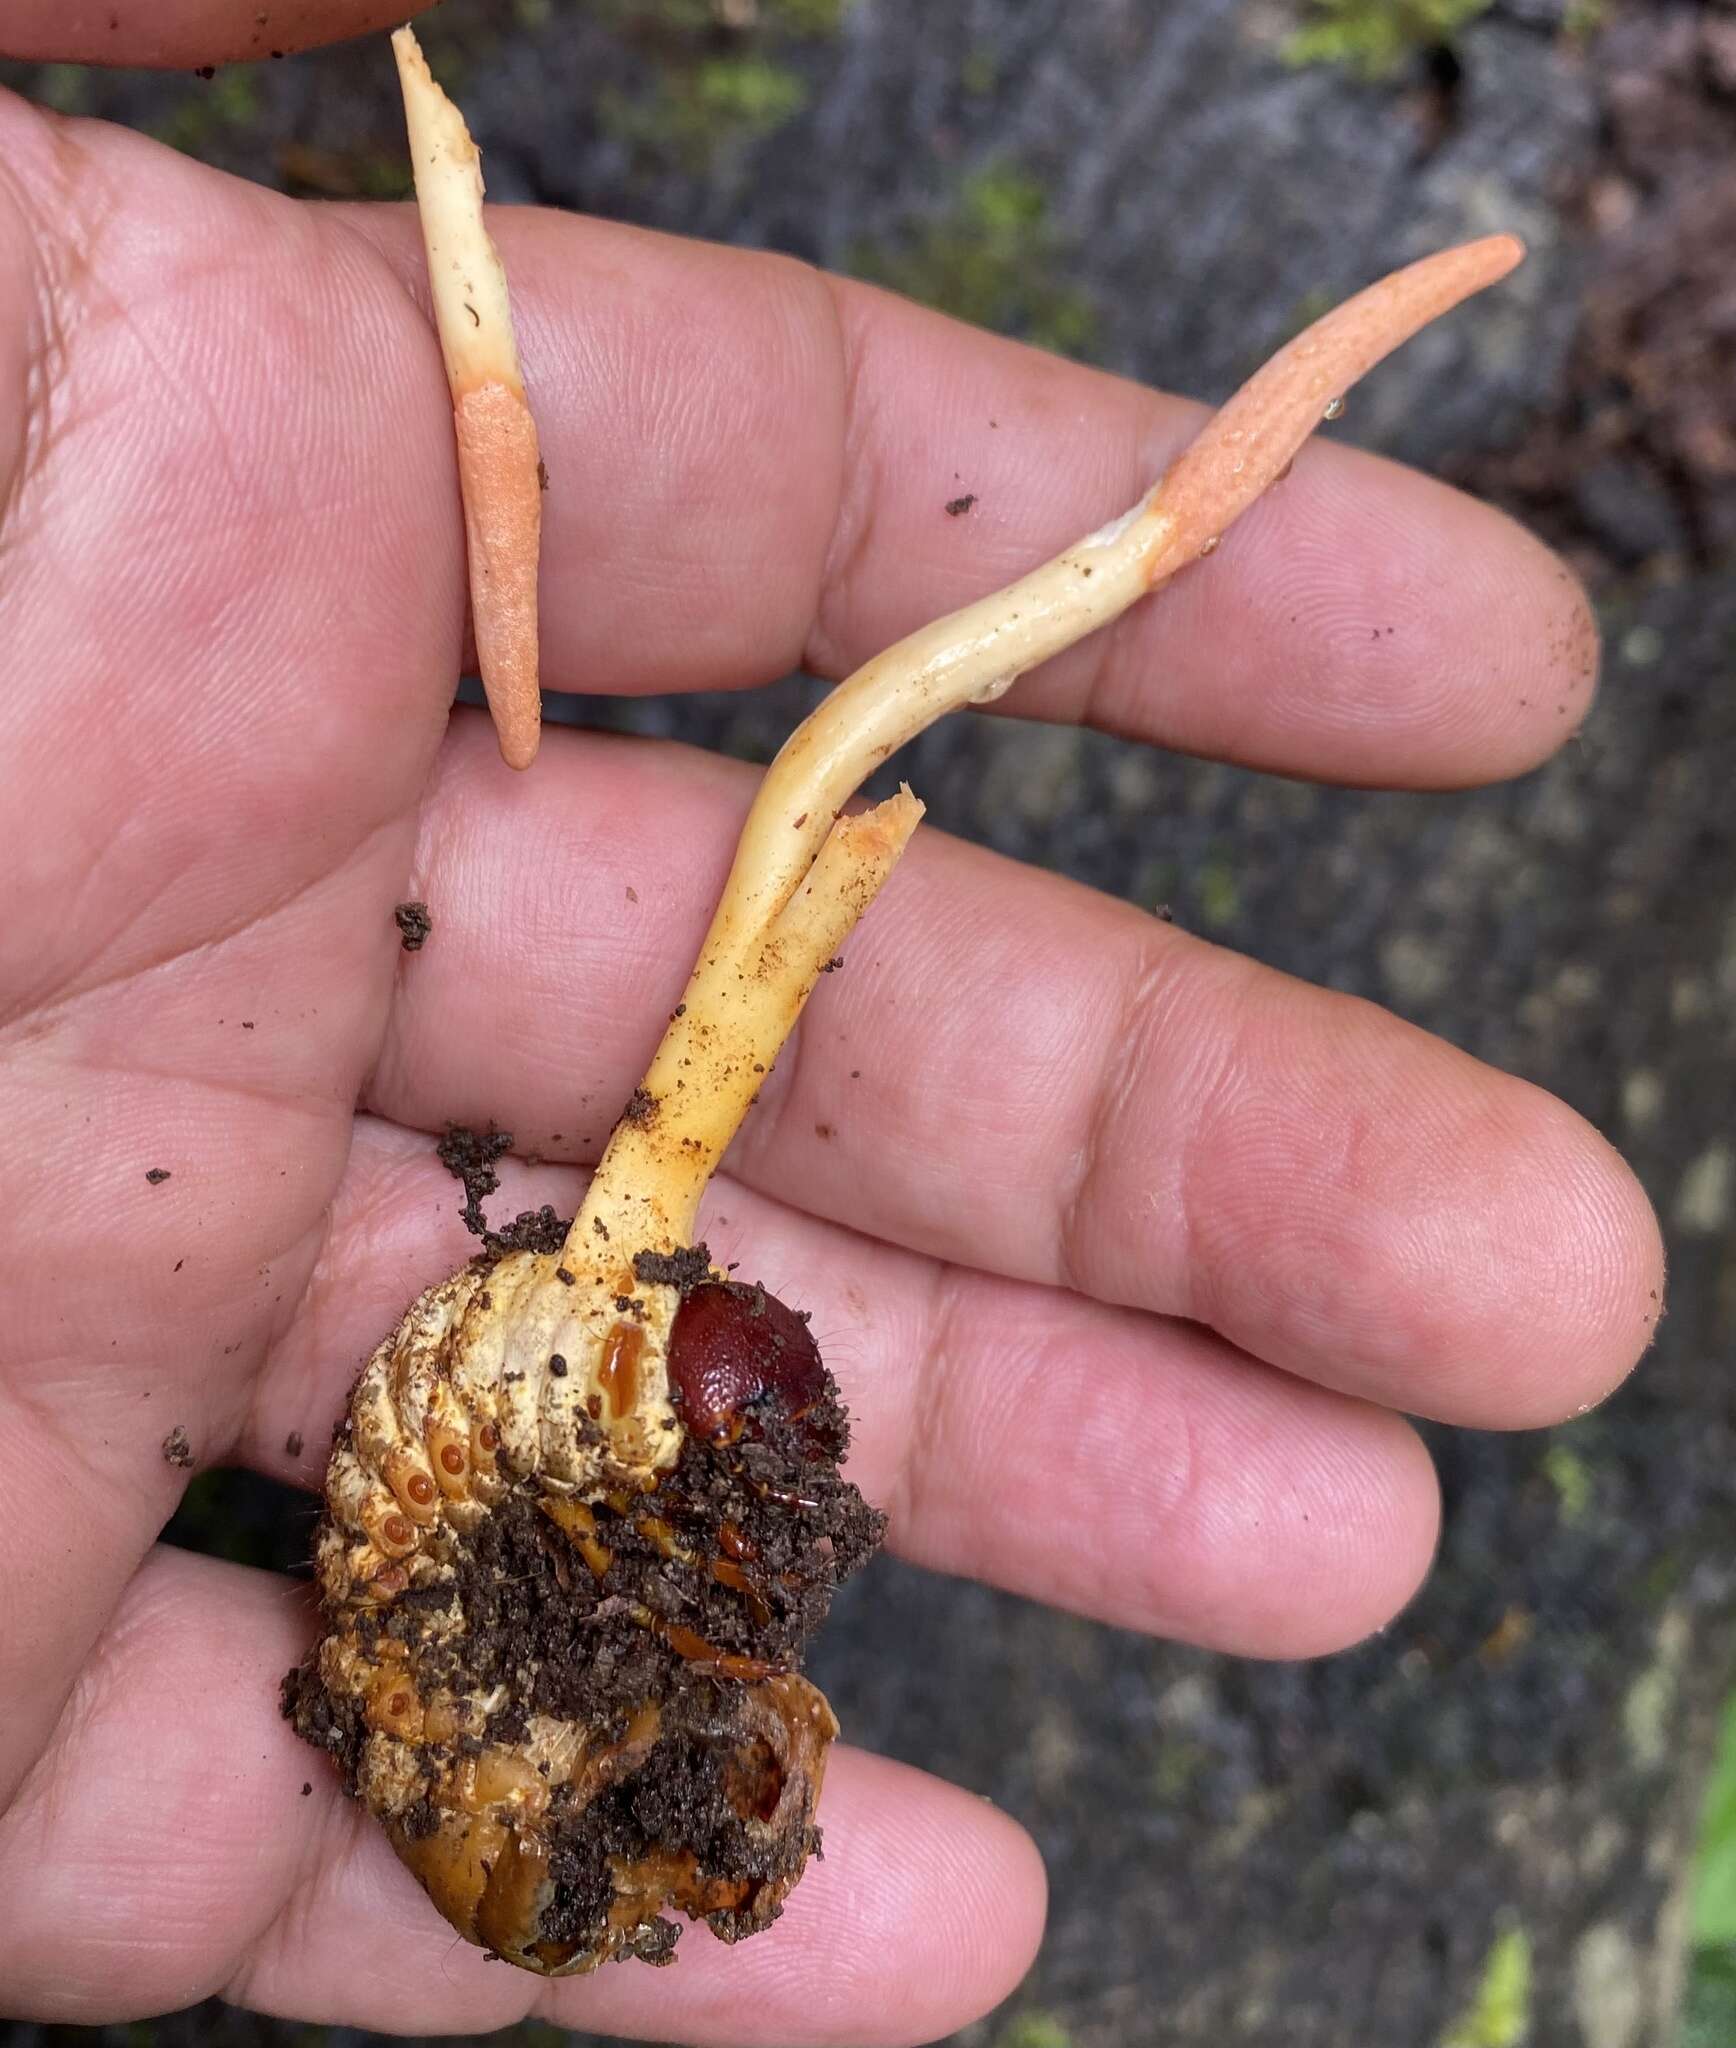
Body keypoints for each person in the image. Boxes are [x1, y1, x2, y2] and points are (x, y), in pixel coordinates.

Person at [0, 4, 1663, 2040]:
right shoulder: (543, 1480)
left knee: (876, 763)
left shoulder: (558, 1478)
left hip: (528, 1451)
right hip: (521, 1458)